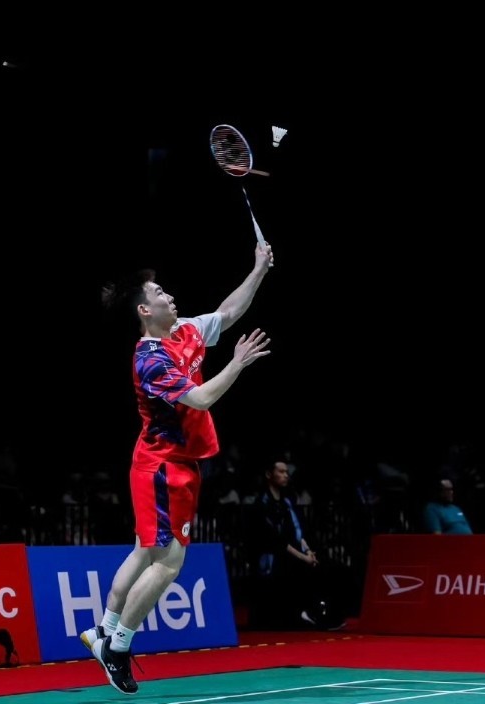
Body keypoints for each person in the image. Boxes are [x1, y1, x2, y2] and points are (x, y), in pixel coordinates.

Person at [80, 242, 273, 694]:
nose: (170, 295)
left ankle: (104, 629)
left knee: (143, 552)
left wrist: (259, 269)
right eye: (159, 292)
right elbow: (201, 398)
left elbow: (227, 313)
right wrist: (237, 364)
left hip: (174, 463)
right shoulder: (150, 359)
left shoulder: (185, 330)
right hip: (162, 468)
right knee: (169, 562)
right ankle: (118, 646)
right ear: (145, 310)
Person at [251, 460, 346, 630]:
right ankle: (308, 614)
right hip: (273, 558)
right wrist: (303, 558)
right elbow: (277, 540)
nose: (285, 475)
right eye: (281, 472)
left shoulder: (287, 502)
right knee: (304, 570)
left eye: (287, 472)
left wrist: (308, 551)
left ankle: (327, 613)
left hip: (294, 553)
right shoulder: (262, 503)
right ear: (269, 474)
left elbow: (298, 531)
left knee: (332, 567)